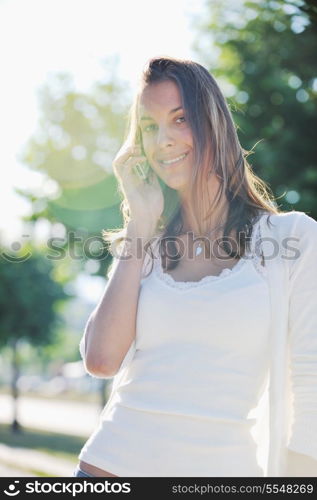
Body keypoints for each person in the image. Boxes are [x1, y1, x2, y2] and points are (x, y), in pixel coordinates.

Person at [73, 56, 317, 477]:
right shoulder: (145, 242)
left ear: (214, 124)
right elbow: (101, 360)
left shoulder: (290, 239)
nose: (163, 139)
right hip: (108, 469)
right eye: (150, 126)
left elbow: (311, 379)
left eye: (180, 118)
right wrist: (140, 224)